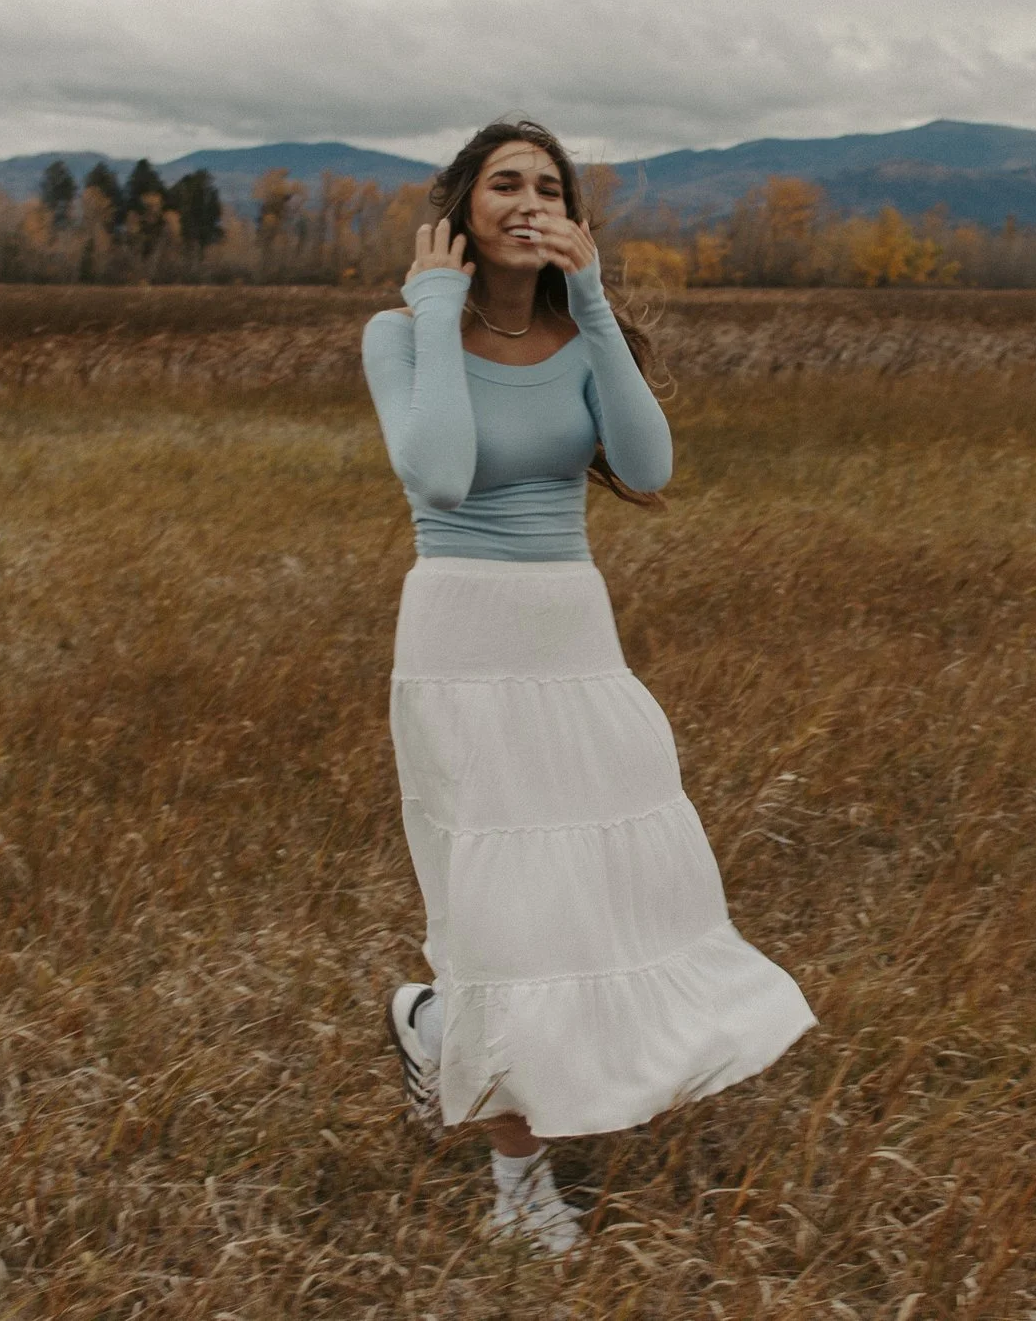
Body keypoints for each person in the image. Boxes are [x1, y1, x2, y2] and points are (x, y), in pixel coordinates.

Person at [362, 117, 816, 1255]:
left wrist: (598, 303)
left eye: (550, 186)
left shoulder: (581, 336)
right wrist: (429, 310)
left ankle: (434, 1025)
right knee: (506, 910)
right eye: (503, 183)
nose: (527, 200)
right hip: (461, 640)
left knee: (612, 885)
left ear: (573, 217)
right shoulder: (396, 332)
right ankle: (520, 1186)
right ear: (460, 210)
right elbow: (441, 472)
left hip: (573, 637)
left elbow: (651, 468)